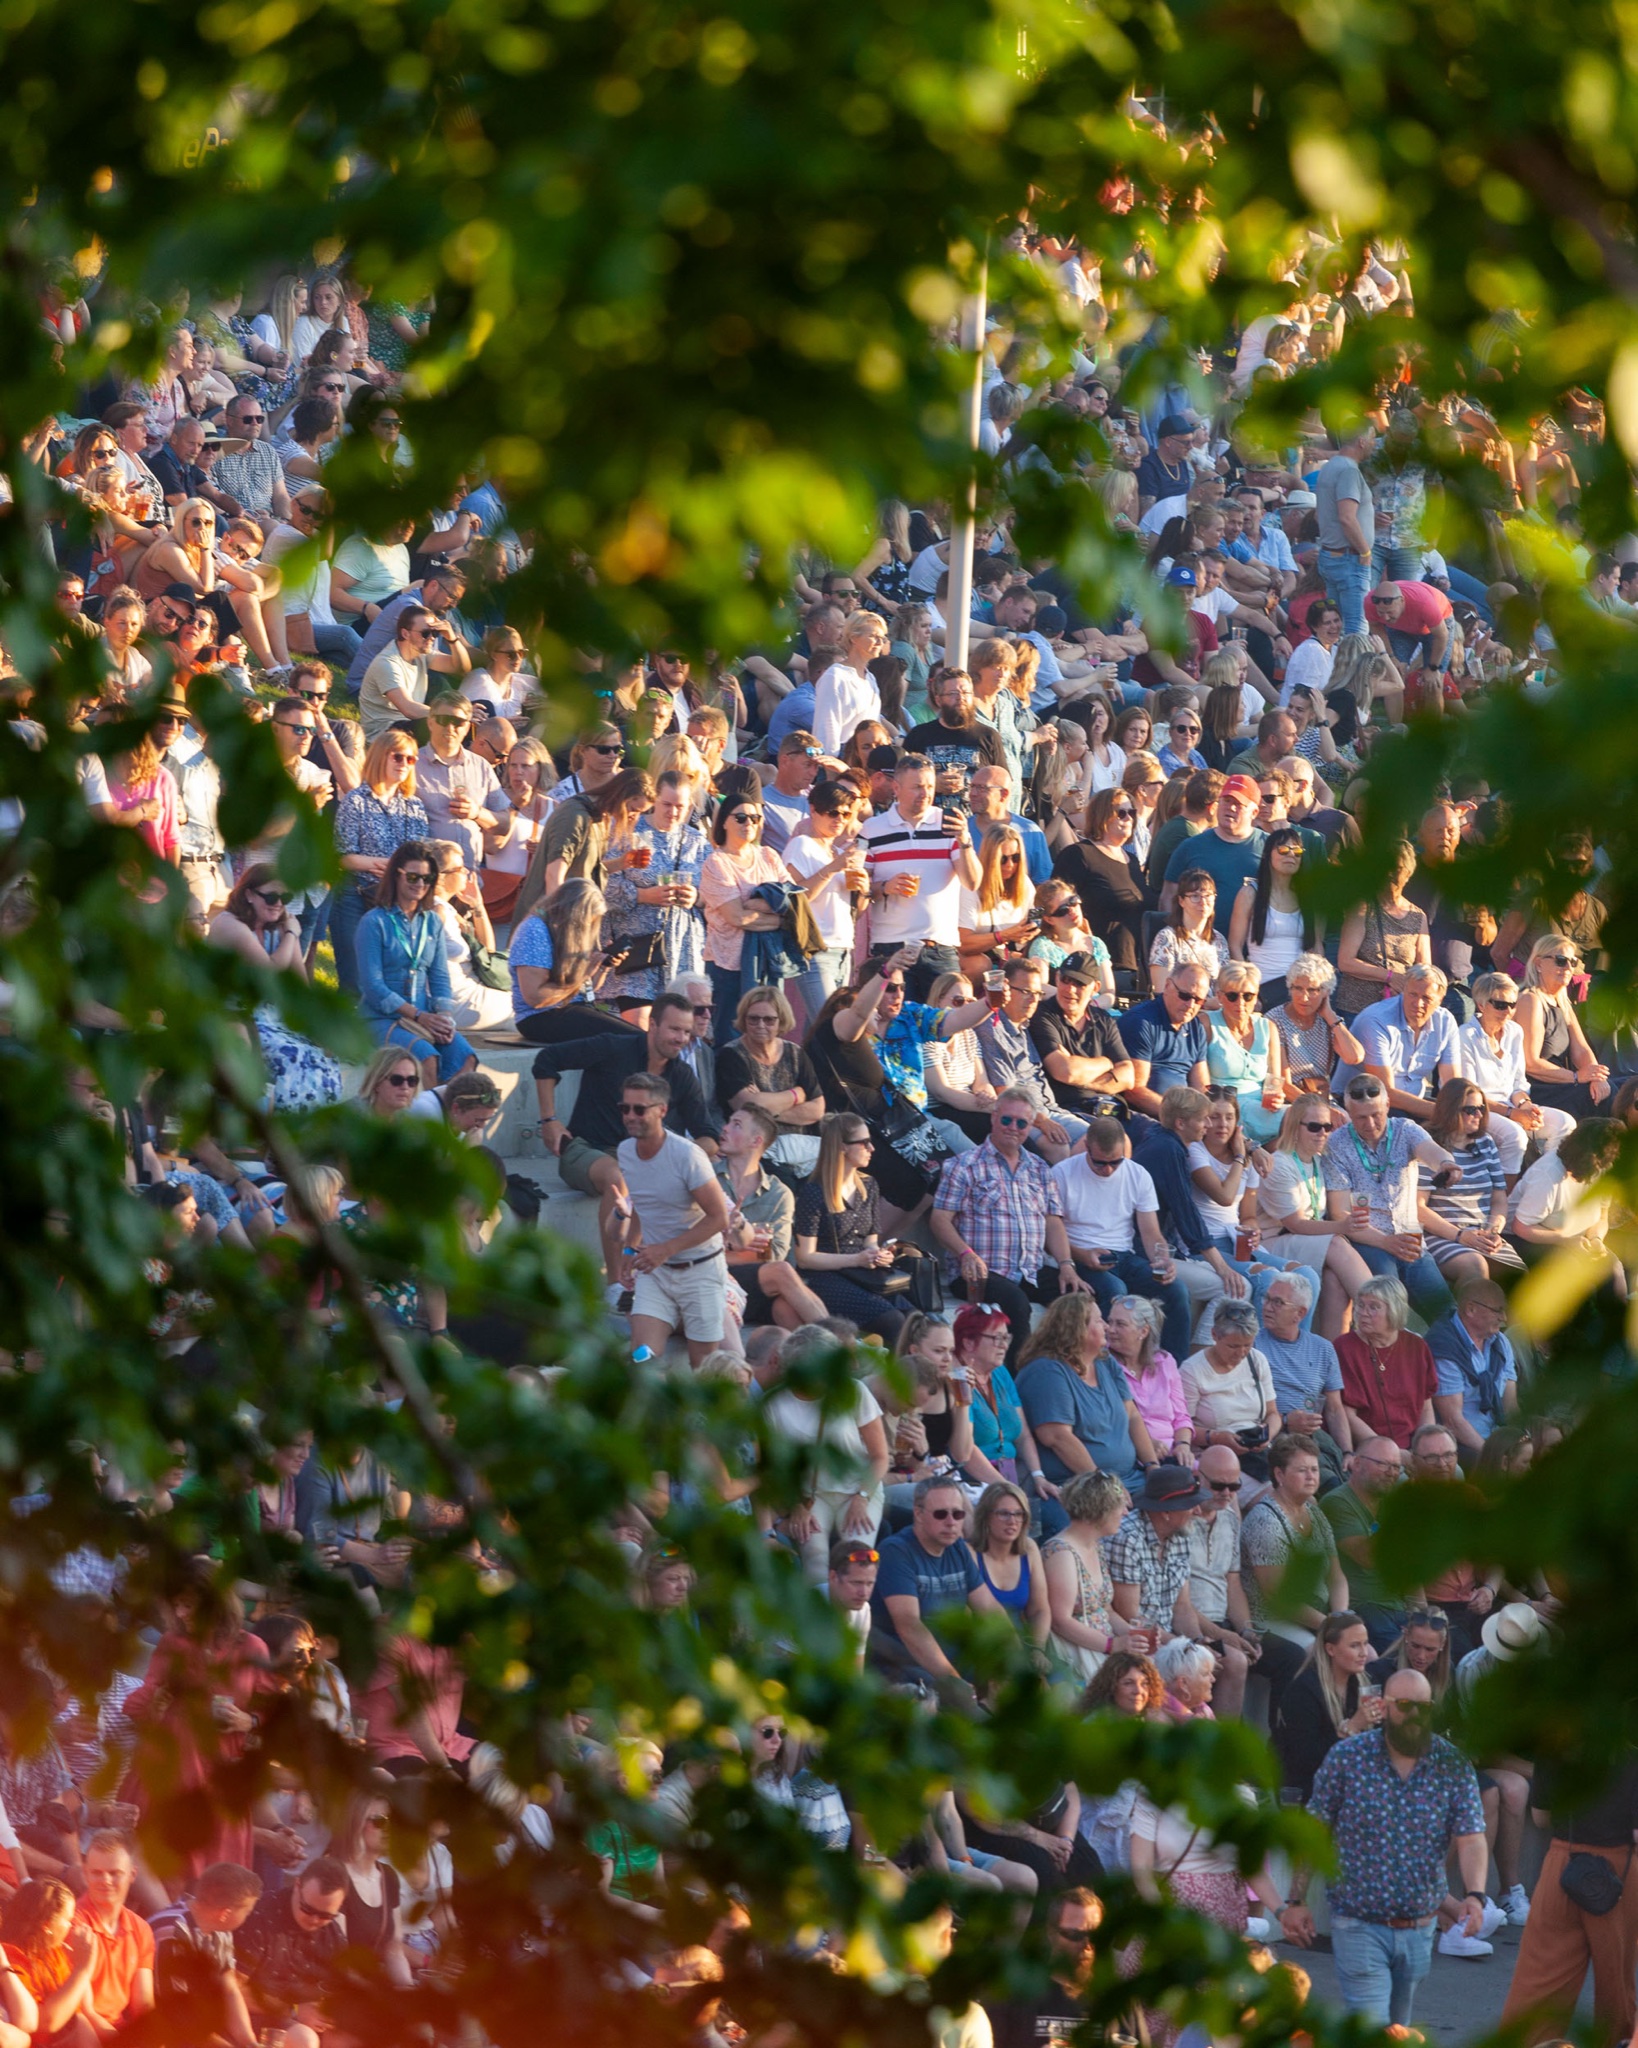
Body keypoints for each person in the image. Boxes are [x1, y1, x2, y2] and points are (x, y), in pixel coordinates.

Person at [1298, 1670, 1488, 2028]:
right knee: (1371, 2026)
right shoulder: (1347, 1758)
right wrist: (1294, 1901)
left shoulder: (1452, 1765)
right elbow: (1314, 1828)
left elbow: (1471, 1836)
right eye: (1403, 1705)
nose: (1413, 1714)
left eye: (1422, 1706)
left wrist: (1475, 1895)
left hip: (1419, 1927)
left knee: (1398, 2028)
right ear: (1384, 1707)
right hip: (1357, 1922)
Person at [930, 1092, 1090, 1358]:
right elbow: (940, 1220)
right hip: (979, 1272)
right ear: (993, 1118)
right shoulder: (963, 1166)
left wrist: (1066, 1265)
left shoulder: (1040, 1169)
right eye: (1007, 1119)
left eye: (1021, 1123)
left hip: (1029, 1269)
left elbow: (1053, 1222)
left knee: (1078, 1297)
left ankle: (1067, 1373)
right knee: (1016, 1302)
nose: (1013, 1128)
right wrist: (965, 1254)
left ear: (1030, 1127)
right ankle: (1017, 1383)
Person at [1499, 1756, 1638, 2048]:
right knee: (1616, 1991)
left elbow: (1541, 1816)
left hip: (1564, 1862)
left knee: (1538, 1985)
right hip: (1620, 1870)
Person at [614, 1072, 733, 1368]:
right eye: (624, 1108)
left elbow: (719, 1218)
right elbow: (643, 1202)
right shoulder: (625, 1151)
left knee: (703, 1364)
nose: (630, 1116)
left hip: (701, 1270)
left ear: (662, 1111)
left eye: (639, 1109)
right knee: (642, 1356)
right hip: (657, 1273)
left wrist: (666, 1248)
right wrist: (630, 1248)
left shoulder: (687, 1155)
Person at [1321, 1075, 1458, 1322]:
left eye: (1376, 1114)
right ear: (1349, 1112)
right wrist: (1385, 1242)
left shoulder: (1405, 1129)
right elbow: (1340, 1213)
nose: (1370, 1123)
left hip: (1410, 1237)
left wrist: (1446, 1164)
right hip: (1369, 1240)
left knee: (1447, 1314)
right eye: (1361, 1117)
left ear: (1387, 1106)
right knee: (1389, 1311)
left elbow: (1431, 1151)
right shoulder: (1337, 1145)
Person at [764, 1327, 890, 1582]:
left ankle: (856, 1618)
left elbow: (880, 1456)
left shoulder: (854, 1392)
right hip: (810, 1496)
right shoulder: (774, 1404)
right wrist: (795, 1507)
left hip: (859, 1489)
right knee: (816, 1561)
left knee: (858, 1559)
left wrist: (862, 1497)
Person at [867, 1475, 1001, 1705]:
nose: (951, 1522)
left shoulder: (957, 1547)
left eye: (958, 1514)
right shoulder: (895, 1551)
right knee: (973, 1713)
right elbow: (909, 1625)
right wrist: (954, 1681)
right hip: (906, 1665)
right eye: (941, 1514)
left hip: (952, 1659)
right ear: (918, 1513)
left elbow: (990, 1609)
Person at [858, 753, 982, 1000]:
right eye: (916, 787)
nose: (925, 794)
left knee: (946, 1027)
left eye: (929, 787)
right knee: (895, 1029)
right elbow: (858, 889)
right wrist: (885, 886)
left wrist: (965, 841)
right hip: (891, 946)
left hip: (940, 948)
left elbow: (972, 882)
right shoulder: (872, 829)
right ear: (896, 788)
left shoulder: (949, 824)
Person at [355, 839, 477, 1085]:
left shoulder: (431, 920)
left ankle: (451, 1122)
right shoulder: (374, 922)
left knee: (466, 1058)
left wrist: (444, 1017)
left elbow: (440, 976)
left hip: (423, 1016)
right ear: (397, 876)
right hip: (381, 1018)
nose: (420, 884)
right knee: (426, 1060)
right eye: (413, 877)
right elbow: (373, 986)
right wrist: (419, 1016)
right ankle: (426, 1121)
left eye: (427, 878)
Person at [1015, 1295, 1160, 1491]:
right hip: (1082, 1487)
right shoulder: (1047, 1372)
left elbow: (1133, 1415)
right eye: (1100, 1321)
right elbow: (1057, 1437)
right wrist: (1104, 1486)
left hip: (1129, 1479)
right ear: (1078, 1329)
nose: (1107, 1327)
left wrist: (1152, 1466)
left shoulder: (1104, 1360)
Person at [790, 1115, 910, 1344]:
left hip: (861, 1271)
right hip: (824, 1277)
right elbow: (805, 1258)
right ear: (842, 1147)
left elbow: (871, 1241)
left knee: (915, 1319)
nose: (871, 1148)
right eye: (864, 1142)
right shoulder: (814, 1192)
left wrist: (878, 1254)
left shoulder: (869, 1185)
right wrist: (857, 1260)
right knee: (893, 1321)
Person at [1256, 1105, 1373, 1338]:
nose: (1322, 1133)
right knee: (1336, 1243)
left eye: (1327, 1127)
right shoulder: (1280, 1163)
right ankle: (1384, 1313)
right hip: (1268, 1242)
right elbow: (1295, 1224)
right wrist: (1342, 1226)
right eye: (1314, 1127)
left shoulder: (1319, 1161)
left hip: (1300, 1239)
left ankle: (1333, 1355)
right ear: (1294, 1128)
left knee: (1334, 1280)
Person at [329, 729, 430, 992]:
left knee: (391, 978)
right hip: (355, 895)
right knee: (355, 977)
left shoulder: (414, 806)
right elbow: (342, 856)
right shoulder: (356, 801)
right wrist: (382, 864)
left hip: (396, 898)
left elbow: (419, 854)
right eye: (398, 757)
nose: (404, 764)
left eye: (411, 759)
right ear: (380, 757)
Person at [1457, 970, 1573, 1178]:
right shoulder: (1465, 1036)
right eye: (1500, 1005)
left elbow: (1518, 1084)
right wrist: (1513, 1114)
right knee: (1516, 1135)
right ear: (1481, 1005)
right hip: (1479, 1111)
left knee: (1565, 1123)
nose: (1508, 1011)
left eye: (1512, 1005)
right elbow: (1470, 1095)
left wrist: (1526, 1106)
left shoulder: (1514, 1031)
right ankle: (1506, 1203)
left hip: (1512, 1107)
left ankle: (1539, 1184)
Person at [698, 790, 791, 1047]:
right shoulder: (716, 863)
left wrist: (755, 904)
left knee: (767, 1039)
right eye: (740, 817)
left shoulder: (769, 856)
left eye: (754, 818)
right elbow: (736, 917)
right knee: (729, 1041)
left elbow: (792, 904)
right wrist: (776, 915)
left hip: (767, 963)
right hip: (727, 966)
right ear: (724, 822)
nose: (749, 823)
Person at [1240, 1430, 1348, 1648]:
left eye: (1315, 1469)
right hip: (1274, 1620)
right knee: (1321, 1652)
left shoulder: (1314, 1512)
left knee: (1365, 1651)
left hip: (1320, 1616)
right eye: (1302, 1470)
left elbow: (1336, 1576)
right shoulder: (1265, 1521)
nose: (1311, 1476)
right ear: (1279, 1475)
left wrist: (1342, 1618)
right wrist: (1331, 1627)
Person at [1416, 1080, 1522, 1285]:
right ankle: (1464, 1317)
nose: (1479, 1115)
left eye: (1481, 1108)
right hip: (1442, 1235)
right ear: (1450, 1110)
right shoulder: (1428, 1146)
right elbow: (1418, 1208)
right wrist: (1460, 1236)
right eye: (1471, 1109)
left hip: (1482, 1233)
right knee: (1475, 1266)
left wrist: (1493, 1231)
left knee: (1520, 1279)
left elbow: (1499, 1198)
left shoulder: (1486, 1143)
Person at [234, 1857, 350, 2042]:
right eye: (307, 1908)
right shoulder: (259, 1918)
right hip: (258, 2018)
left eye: (325, 1915)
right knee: (305, 2039)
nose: (314, 1919)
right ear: (297, 1886)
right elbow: (233, 1989)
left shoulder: (334, 1936)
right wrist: (293, 2010)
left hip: (309, 2019)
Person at [149, 1861, 263, 2048]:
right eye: (247, 1911)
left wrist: (250, 2043)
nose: (248, 1916)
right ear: (225, 1913)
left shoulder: (220, 1930)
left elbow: (229, 1990)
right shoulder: (172, 1931)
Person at [1275, 1610, 1381, 1798]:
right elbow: (1305, 1760)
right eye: (1355, 1645)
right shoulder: (1303, 1691)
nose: (1364, 1653)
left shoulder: (1362, 1685)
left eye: (1365, 1644)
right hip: (1308, 1791)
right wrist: (1353, 1726)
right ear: (1330, 1649)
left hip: (1352, 1785)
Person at [1039, 1469, 1132, 1682]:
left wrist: (1133, 1635)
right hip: (1078, 1658)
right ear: (1101, 1509)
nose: (1125, 1513)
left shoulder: (1095, 1547)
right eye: (1121, 1506)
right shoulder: (1061, 1552)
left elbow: (1105, 1609)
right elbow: (1059, 1620)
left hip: (1103, 1650)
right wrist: (1111, 1645)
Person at [1319, 1439, 1409, 1649]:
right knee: (1399, 1656)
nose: (1391, 1472)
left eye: (1396, 1467)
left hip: (1397, 1605)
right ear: (1357, 1464)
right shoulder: (1337, 1502)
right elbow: (1368, 1558)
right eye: (1383, 1464)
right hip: (1361, 1608)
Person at [1336, 1276, 1438, 1456]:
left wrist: (1425, 1450)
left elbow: (1426, 1407)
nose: (1363, 1312)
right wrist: (1393, 1454)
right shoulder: (1344, 1347)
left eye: (1373, 1307)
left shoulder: (1417, 1346)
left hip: (1411, 1448)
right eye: (1360, 1305)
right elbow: (1347, 1416)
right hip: (1367, 1449)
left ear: (1395, 1311)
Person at [1255, 1272, 1352, 1458]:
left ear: (1300, 1313)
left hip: (1312, 1438)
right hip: (1272, 1438)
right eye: (1266, 1299)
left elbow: (1334, 1409)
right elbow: (1246, 1407)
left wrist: (1347, 1452)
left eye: (1277, 1302)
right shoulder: (1253, 1345)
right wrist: (1285, 1421)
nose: (1267, 1307)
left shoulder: (1323, 1349)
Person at [1179, 1299, 1281, 1471]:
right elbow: (1182, 1427)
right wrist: (1216, 1437)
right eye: (1233, 1346)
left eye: (1247, 1345)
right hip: (1214, 1453)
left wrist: (1267, 1435)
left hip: (1255, 1450)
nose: (1241, 1353)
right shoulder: (1192, 1371)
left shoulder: (1256, 1360)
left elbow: (1273, 1413)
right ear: (1214, 1335)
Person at [1516, 934, 1611, 1118]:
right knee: (1591, 1098)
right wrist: (1576, 1077)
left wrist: (1596, 1077)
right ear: (1538, 964)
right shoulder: (1530, 1000)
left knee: (1621, 1090)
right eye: (1561, 961)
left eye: (1573, 962)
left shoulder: (1563, 1002)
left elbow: (1582, 1050)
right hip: (1537, 1088)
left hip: (1562, 1083)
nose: (1568, 968)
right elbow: (1531, 1063)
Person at [1350, 964, 1461, 1121]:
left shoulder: (1445, 1021)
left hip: (1414, 1104)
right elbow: (1384, 1092)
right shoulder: (1376, 1020)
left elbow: (1452, 1084)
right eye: (1412, 994)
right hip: (1367, 1102)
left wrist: (1457, 1113)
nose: (1418, 1003)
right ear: (1403, 991)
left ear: (1440, 1000)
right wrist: (1442, 1114)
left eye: (1427, 998)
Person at [1028, 954, 1133, 1118]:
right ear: (1056, 978)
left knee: (1159, 1134)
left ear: (1096, 987)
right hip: (1071, 1111)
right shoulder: (1042, 1015)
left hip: (1112, 1109)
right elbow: (1065, 1071)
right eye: (1065, 980)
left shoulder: (1104, 1019)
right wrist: (1107, 1062)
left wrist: (1082, 1080)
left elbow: (1128, 1076)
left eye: (1079, 984)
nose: (1070, 989)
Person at [70, 1831, 154, 2037]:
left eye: (115, 1873)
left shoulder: (141, 1928)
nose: (105, 1880)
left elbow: (143, 2004)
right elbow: (82, 2010)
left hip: (119, 2030)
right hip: (79, 2030)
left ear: (132, 1875)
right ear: (85, 1874)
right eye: (97, 1872)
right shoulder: (72, 1921)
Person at [1335, 842, 1431, 1018]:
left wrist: (1406, 987)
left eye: (1396, 868)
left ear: (1408, 874)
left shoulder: (1418, 916)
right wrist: (1390, 976)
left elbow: (1425, 969)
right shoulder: (1362, 908)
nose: (1388, 873)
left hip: (1398, 1009)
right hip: (1357, 1009)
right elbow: (1345, 961)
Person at [1425, 1279, 1520, 1455]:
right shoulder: (1444, 1349)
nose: (1504, 1318)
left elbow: (1510, 1406)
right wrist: (1491, 1456)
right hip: (1460, 1444)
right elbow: (1453, 1422)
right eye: (1497, 1310)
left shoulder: (1500, 1343)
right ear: (1471, 1309)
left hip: (1495, 1437)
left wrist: (1520, 1442)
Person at [1159, 773, 1265, 918]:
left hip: (1252, 938)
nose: (1231, 808)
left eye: (1239, 804)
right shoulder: (1191, 847)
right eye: (1226, 800)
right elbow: (1168, 897)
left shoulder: (1269, 847)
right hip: (1201, 939)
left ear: (1254, 812)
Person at [1206, 961, 1285, 1142]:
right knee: (1296, 1121)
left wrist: (1276, 1097)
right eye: (1232, 996)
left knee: (1305, 1119)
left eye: (1248, 996)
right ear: (1220, 996)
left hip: (1262, 1108)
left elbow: (1274, 1079)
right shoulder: (1206, 1025)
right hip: (1223, 1107)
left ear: (1256, 997)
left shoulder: (1268, 1027)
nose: (1241, 1003)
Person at [1120, 964, 1213, 1118]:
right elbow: (1135, 1091)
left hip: (1184, 1119)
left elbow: (1201, 1088)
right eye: (1184, 995)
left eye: (1198, 1000)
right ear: (1168, 985)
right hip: (1146, 1118)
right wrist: (1179, 1119)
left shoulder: (1196, 1027)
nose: (1190, 1004)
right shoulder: (1141, 1022)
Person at [1267, 953, 1365, 1095]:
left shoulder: (1328, 1021)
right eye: (1298, 988)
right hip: (1290, 1100)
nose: (1304, 997)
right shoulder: (1275, 1020)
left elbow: (1354, 1057)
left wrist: (1330, 1016)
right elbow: (1284, 1084)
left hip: (1321, 1095)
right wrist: (1318, 1109)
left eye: (1312, 990)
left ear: (1326, 992)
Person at [971, 1481, 1050, 1650]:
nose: (1012, 1521)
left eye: (1018, 1514)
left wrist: (1037, 1650)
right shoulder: (969, 1552)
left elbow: (1040, 1610)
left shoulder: (1029, 1548)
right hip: (985, 1646)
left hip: (1026, 1643)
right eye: (1003, 1514)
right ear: (985, 1516)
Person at [1148, 867, 1228, 990]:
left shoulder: (1219, 940)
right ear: (1181, 901)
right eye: (1195, 896)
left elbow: (1225, 987)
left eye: (1208, 895)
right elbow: (1163, 991)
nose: (1203, 902)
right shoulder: (1166, 939)